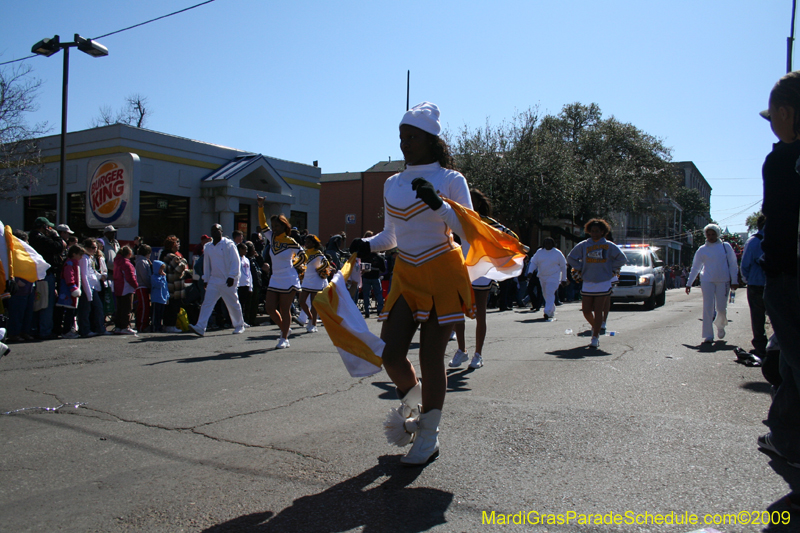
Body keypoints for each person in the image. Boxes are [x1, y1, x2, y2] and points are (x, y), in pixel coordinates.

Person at [348, 102, 475, 465]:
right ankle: (417, 407)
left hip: (443, 271)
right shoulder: (392, 183)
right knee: (389, 354)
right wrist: (367, 245)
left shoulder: (451, 179)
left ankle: (429, 436)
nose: (404, 143)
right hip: (406, 272)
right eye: (401, 137)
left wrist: (439, 204)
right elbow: (391, 236)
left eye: (412, 137)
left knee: (431, 356)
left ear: (431, 139)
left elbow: (469, 230)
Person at [755, 70, 800, 468]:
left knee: (795, 359)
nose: (772, 125)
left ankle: (792, 444)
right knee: (786, 359)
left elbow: (777, 218)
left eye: (773, 117)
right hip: (786, 274)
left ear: (786, 112)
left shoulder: (782, 159)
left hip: (789, 275)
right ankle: (784, 436)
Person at [451, 189, 518, 369]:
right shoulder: (459, 219)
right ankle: (462, 350)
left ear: (479, 203)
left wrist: (497, 254)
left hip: (481, 272)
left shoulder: (488, 222)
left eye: (470, 199)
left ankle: (478, 354)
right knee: (457, 311)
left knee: (480, 314)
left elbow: (511, 237)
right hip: (462, 269)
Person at [567, 219, 627, 348]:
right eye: (592, 231)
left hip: (603, 282)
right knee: (586, 310)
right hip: (588, 281)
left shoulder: (609, 245)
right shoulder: (583, 245)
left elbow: (622, 259)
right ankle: (596, 326)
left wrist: (610, 268)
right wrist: (581, 267)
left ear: (603, 232)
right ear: (589, 231)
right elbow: (570, 258)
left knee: (598, 310)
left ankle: (595, 337)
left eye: (597, 231)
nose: (594, 233)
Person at [257, 196, 303, 349]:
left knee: (284, 309)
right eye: (273, 226)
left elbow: (303, 256)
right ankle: (285, 328)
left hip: (288, 277)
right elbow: (262, 224)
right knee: (269, 307)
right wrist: (260, 206)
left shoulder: (290, 241)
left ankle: (284, 338)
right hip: (275, 277)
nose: (274, 228)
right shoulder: (271, 238)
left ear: (284, 226)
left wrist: (295, 266)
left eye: (277, 226)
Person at [684, 224, 739, 343]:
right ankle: (708, 335)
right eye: (708, 234)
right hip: (707, 280)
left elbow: (733, 264)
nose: (711, 236)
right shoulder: (702, 249)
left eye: (713, 234)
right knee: (708, 307)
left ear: (718, 234)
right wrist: (689, 283)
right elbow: (696, 267)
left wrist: (734, 280)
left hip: (723, 280)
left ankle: (720, 325)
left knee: (721, 308)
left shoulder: (725, 247)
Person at [189, 224, 246, 336]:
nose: (215, 232)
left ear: (222, 231)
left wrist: (232, 276)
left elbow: (236, 261)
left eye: (217, 230)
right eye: (213, 230)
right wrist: (206, 279)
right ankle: (200, 327)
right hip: (213, 281)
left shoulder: (229, 244)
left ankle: (239, 325)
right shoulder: (208, 246)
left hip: (227, 280)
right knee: (207, 303)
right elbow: (207, 264)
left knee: (233, 303)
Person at [28, 216, 64, 339]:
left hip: (35, 274)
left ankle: (34, 329)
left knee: (37, 303)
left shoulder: (31, 238)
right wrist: (56, 236)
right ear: (43, 226)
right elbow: (59, 246)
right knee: (46, 303)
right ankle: (45, 330)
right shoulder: (40, 238)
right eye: (48, 227)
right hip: (45, 274)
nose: (49, 229)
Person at [740, 214, 768, 356]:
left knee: (758, 317)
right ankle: (778, 347)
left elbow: (745, 265)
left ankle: (760, 346)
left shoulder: (753, 242)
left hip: (756, 284)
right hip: (775, 283)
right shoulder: (782, 239)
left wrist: (747, 279)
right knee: (778, 317)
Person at [526, 237, 567, 321]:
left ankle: (547, 311)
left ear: (553, 244)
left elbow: (563, 266)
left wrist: (564, 279)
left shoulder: (557, 253)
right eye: (546, 243)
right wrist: (530, 271)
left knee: (549, 292)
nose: (548, 245)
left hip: (553, 277)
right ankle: (551, 309)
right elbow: (534, 262)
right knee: (545, 294)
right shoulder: (539, 252)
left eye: (549, 243)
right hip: (542, 277)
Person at [299, 234, 330, 333]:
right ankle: (311, 317)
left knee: (314, 303)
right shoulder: (305, 253)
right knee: (301, 301)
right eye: (306, 242)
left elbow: (326, 263)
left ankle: (313, 325)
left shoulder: (318, 253)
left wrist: (319, 270)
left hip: (316, 280)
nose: (306, 244)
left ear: (314, 243)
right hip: (306, 280)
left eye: (309, 242)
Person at [55, 244, 85, 339]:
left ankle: (68, 329)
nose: (81, 257)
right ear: (74, 254)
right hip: (68, 292)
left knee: (71, 312)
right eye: (80, 254)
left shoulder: (74, 263)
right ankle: (66, 331)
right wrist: (73, 288)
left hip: (70, 291)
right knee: (69, 312)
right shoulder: (70, 264)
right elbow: (69, 277)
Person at [160, 236, 188, 333]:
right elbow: (180, 268)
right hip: (174, 287)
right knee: (173, 308)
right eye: (177, 243)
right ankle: (170, 326)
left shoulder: (164, 255)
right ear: (172, 245)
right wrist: (184, 261)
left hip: (170, 286)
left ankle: (168, 325)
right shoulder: (171, 257)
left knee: (169, 307)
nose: (179, 245)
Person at [78, 238, 105, 337]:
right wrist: (88, 291)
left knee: (98, 308)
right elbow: (84, 275)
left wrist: (100, 276)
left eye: (96, 247)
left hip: (93, 287)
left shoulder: (90, 258)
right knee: (85, 310)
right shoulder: (84, 259)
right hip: (87, 287)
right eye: (93, 247)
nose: (95, 250)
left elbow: (93, 271)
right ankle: (84, 330)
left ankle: (99, 328)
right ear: (86, 248)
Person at [113, 246, 138, 335]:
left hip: (118, 287)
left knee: (120, 308)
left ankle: (118, 326)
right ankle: (125, 327)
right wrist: (136, 285)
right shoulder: (127, 264)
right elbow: (130, 277)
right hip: (126, 288)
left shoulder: (117, 262)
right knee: (127, 308)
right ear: (129, 254)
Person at [134, 244, 153, 333]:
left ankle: (143, 324)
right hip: (142, 286)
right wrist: (149, 285)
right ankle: (142, 326)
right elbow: (144, 276)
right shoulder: (141, 262)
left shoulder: (144, 261)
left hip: (144, 286)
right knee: (144, 307)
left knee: (145, 307)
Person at [150, 260, 169, 333]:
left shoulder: (163, 277)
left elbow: (165, 288)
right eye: (160, 269)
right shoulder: (154, 277)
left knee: (161, 315)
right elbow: (159, 284)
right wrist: (163, 277)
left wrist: (167, 297)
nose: (162, 271)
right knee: (156, 314)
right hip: (156, 299)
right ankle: (154, 326)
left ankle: (159, 326)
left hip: (162, 299)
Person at [236, 242, 252, 327]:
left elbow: (249, 273)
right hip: (239, 284)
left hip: (246, 283)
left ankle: (243, 321)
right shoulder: (236, 259)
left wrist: (250, 285)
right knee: (239, 304)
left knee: (245, 304)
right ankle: (238, 321)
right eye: (244, 249)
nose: (246, 251)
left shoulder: (246, 259)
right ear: (240, 249)